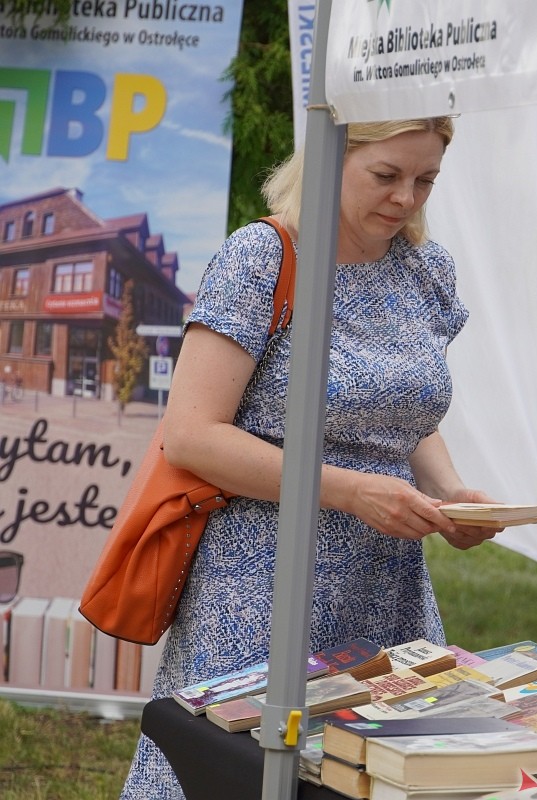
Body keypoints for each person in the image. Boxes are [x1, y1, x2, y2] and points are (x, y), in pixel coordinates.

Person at [122, 117, 507, 798]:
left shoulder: (425, 267)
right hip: (265, 581)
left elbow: (399, 412)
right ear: (327, 163)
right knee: (241, 771)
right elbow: (191, 435)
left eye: (426, 180)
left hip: (384, 582)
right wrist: (353, 491)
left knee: (373, 773)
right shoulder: (262, 257)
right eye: (386, 176)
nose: (406, 199)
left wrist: (450, 493)